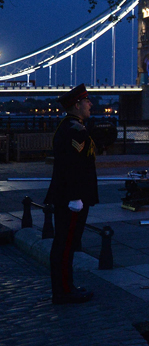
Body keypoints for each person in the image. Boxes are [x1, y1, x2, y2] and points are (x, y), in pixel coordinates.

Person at [45, 84, 97, 303]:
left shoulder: (69, 126)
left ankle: (65, 287)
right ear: (77, 104)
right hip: (71, 198)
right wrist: (76, 196)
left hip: (66, 196)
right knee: (66, 245)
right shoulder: (76, 130)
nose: (90, 104)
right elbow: (72, 165)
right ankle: (64, 291)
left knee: (65, 244)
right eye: (87, 101)